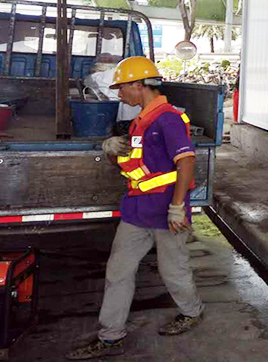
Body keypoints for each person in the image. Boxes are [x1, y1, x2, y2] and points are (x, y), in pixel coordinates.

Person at [67, 56, 204, 359]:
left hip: (166, 212)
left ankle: (192, 312)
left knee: (173, 270)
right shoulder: (140, 122)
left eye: (121, 87)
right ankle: (111, 336)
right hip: (136, 211)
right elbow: (131, 165)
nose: (119, 94)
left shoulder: (167, 118)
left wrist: (177, 207)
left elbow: (186, 162)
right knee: (118, 271)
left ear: (139, 84)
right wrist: (111, 150)